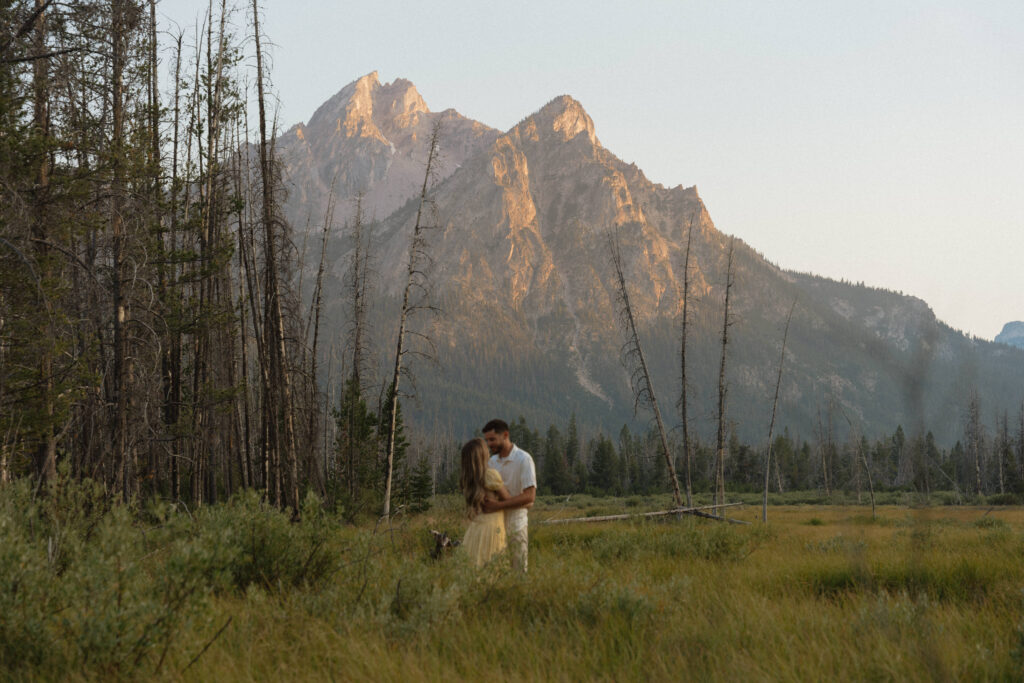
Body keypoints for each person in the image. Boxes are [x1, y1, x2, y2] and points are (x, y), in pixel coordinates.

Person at [481, 419, 537, 572]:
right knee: (496, 573)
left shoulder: (524, 459)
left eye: (492, 439)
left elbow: (530, 497)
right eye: (487, 440)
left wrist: (498, 506)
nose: (489, 444)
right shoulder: (492, 462)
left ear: (505, 435)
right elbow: (527, 500)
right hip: (494, 528)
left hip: (517, 527)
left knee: (518, 572)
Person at [460, 438, 511, 567]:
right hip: (493, 527)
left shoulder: (470, 480)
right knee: (492, 567)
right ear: (482, 455)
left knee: (474, 565)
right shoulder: (490, 475)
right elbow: (508, 499)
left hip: (476, 528)